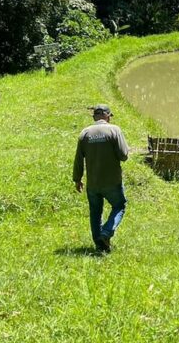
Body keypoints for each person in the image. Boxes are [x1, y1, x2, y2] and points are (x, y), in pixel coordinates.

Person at [73, 104, 129, 252]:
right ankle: (106, 232)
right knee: (119, 206)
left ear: (94, 117)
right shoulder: (114, 130)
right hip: (112, 181)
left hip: (93, 183)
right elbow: (124, 155)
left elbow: (78, 159)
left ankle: (100, 245)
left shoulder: (85, 133)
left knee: (95, 212)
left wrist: (77, 179)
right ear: (108, 116)